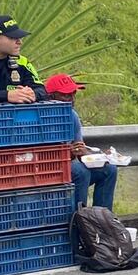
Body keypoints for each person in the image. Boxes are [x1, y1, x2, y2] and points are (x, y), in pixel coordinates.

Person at [45, 73, 117, 211]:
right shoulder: (41, 117)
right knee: (80, 171)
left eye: (73, 94)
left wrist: (100, 156)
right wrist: (68, 153)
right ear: (51, 97)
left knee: (109, 169)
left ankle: (102, 220)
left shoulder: (72, 116)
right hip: (50, 170)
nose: (72, 99)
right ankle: (79, 221)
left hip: (67, 167)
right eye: (66, 95)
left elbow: (80, 151)